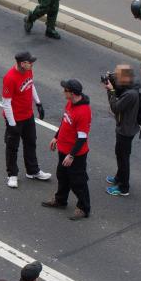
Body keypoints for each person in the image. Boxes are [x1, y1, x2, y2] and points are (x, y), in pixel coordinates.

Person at [41, 79, 92, 220]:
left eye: (66, 90)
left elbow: (82, 138)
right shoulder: (70, 103)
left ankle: (84, 208)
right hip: (63, 149)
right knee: (62, 175)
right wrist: (56, 137)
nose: (63, 92)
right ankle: (60, 200)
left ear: (73, 93)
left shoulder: (83, 112)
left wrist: (71, 156)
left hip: (75, 154)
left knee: (78, 182)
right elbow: (64, 123)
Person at [2, 51, 51, 189]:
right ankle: (12, 174)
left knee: (31, 143)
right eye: (30, 62)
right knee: (12, 147)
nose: (32, 64)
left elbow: (31, 84)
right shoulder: (10, 78)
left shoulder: (28, 71)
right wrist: (12, 124)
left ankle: (32, 171)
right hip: (15, 119)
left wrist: (38, 103)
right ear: (22, 64)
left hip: (28, 115)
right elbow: (6, 103)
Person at [102, 65, 140, 197]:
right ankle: (119, 178)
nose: (115, 77)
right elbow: (120, 90)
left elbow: (115, 108)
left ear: (124, 77)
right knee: (120, 155)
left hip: (125, 130)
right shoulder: (130, 86)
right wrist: (111, 83)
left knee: (123, 158)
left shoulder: (130, 94)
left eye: (117, 75)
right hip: (126, 127)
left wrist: (110, 91)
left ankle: (124, 188)